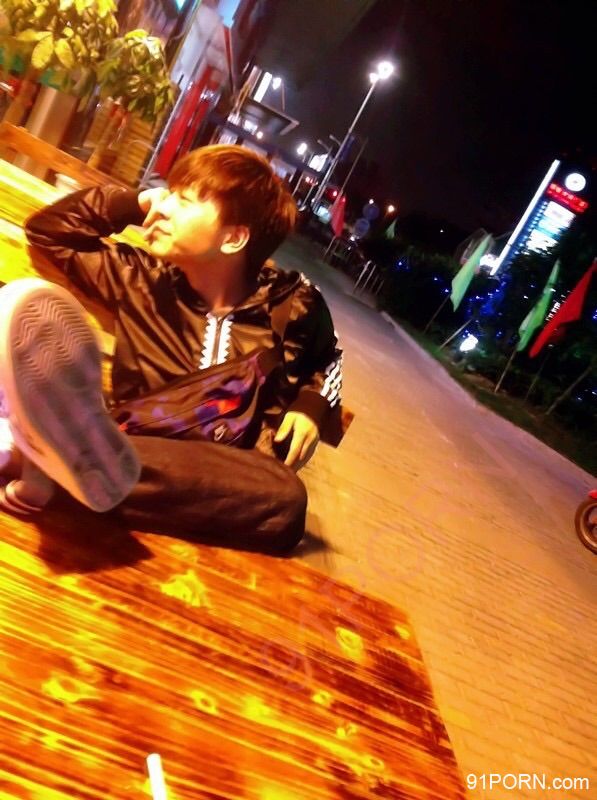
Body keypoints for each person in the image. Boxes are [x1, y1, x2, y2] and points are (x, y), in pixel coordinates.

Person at [0, 144, 343, 554]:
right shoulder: (139, 279)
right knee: (117, 456)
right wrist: (135, 203)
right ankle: (69, 462)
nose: (163, 207)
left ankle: (52, 464)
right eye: (167, 193)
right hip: (134, 446)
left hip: (219, 476)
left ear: (234, 238)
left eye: (184, 200)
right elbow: (49, 231)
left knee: (286, 498)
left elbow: (328, 358)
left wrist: (311, 406)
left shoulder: (292, 305)